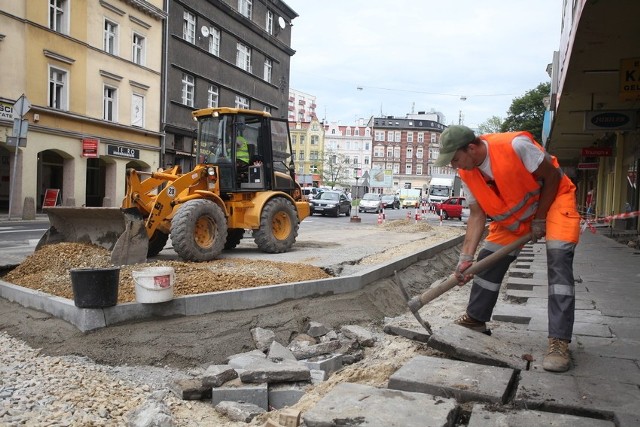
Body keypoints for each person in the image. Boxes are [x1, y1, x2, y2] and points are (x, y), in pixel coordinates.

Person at [433, 125, 580, 373]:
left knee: (559, 261)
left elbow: (553, 176)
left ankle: (559, 341)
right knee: (488, 259)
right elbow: (477, 215)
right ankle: (475, 320)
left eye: (456, 159)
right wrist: (465, 258)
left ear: (471, 148)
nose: (454, 166)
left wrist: (541, 218)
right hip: (516, 220)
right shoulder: (468, 173)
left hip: (554, 202)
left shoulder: (514, 146)